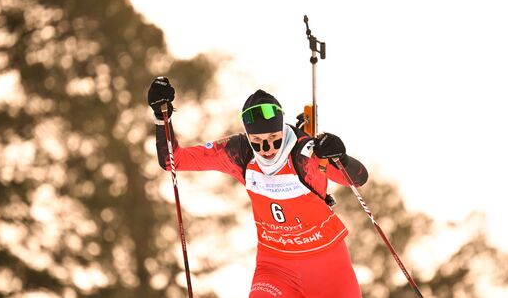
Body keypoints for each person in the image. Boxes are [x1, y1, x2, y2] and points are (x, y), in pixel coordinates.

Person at [148, 76, 369, 297]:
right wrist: (162, 116)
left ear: (283, 128)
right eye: (257, 140)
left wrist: (341, 156)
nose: (267, 148)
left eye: (274, 138)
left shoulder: (305, 154)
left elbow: (357, 179)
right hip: (275, 267)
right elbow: (172, 161)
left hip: (327, 267)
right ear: (247, 135)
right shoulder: (239, 152)